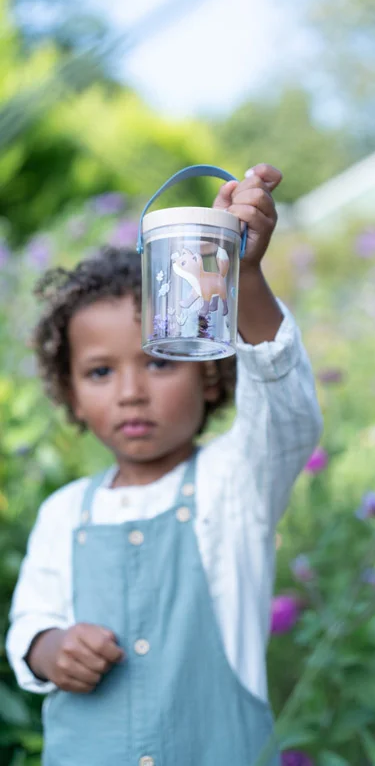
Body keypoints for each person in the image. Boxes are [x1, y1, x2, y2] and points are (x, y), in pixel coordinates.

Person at [6, 163, 323, 766]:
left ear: (211, 370)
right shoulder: (62, 512)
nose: (131, 392)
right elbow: (30, 622)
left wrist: (244, 277)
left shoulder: (236, 482)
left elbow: (289, 413)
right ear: (71, 393)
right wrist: (51, 649)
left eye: (158, 362)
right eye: (101, 371)